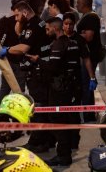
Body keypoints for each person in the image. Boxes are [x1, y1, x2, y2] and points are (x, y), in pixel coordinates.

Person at [0, 1, 53, 153]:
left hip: (38, 72)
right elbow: (18, 34)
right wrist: (19, 22)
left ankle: (38, 142)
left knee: (39, 108)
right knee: (40, 106)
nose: (15, 18)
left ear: (24, 12)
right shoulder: (31, 24)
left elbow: (23, 47)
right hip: (37, 71)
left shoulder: (34, 26)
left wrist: (7, 50)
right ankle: (41, 141)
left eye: (17, 15)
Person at [37, 17, 80, 166]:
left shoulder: (58, 44)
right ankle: (64, 152)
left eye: (48, 28)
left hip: (59, 89)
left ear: (55, 28)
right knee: (65, 120)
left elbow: (53, 67)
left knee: (57, 120)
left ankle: (63, 155)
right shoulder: (73, 43)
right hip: (69, 87)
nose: (46, 31)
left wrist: (38, 60)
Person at [62, 12, 96, 149]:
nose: (68, 27)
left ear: (74, 24)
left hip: (75, 80)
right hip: (59, 82)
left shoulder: (79, 40)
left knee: (74, 113)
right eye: (66, 24)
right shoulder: (58, 38)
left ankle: (73, 141)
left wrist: (92, 77)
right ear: (62, 24)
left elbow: (86, 59)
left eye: (71, 24)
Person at [76, 0, 103, 122]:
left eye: (79, 4)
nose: (77, 6)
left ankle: (88, 115)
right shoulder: (86, 17)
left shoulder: (91, 18)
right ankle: (88, 113)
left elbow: (89, 36)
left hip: (90, 56)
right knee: (85, 84)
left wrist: (77, 36)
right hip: (87, 55)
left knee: (87, 84)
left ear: (85, 4)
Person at [0, 0, 27, 104]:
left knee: (5, 88)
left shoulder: (3, 20)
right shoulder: (22, 21)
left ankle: (2, 113)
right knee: (19, 90)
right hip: (19, 60)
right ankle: (16, 114)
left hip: (6, 60)